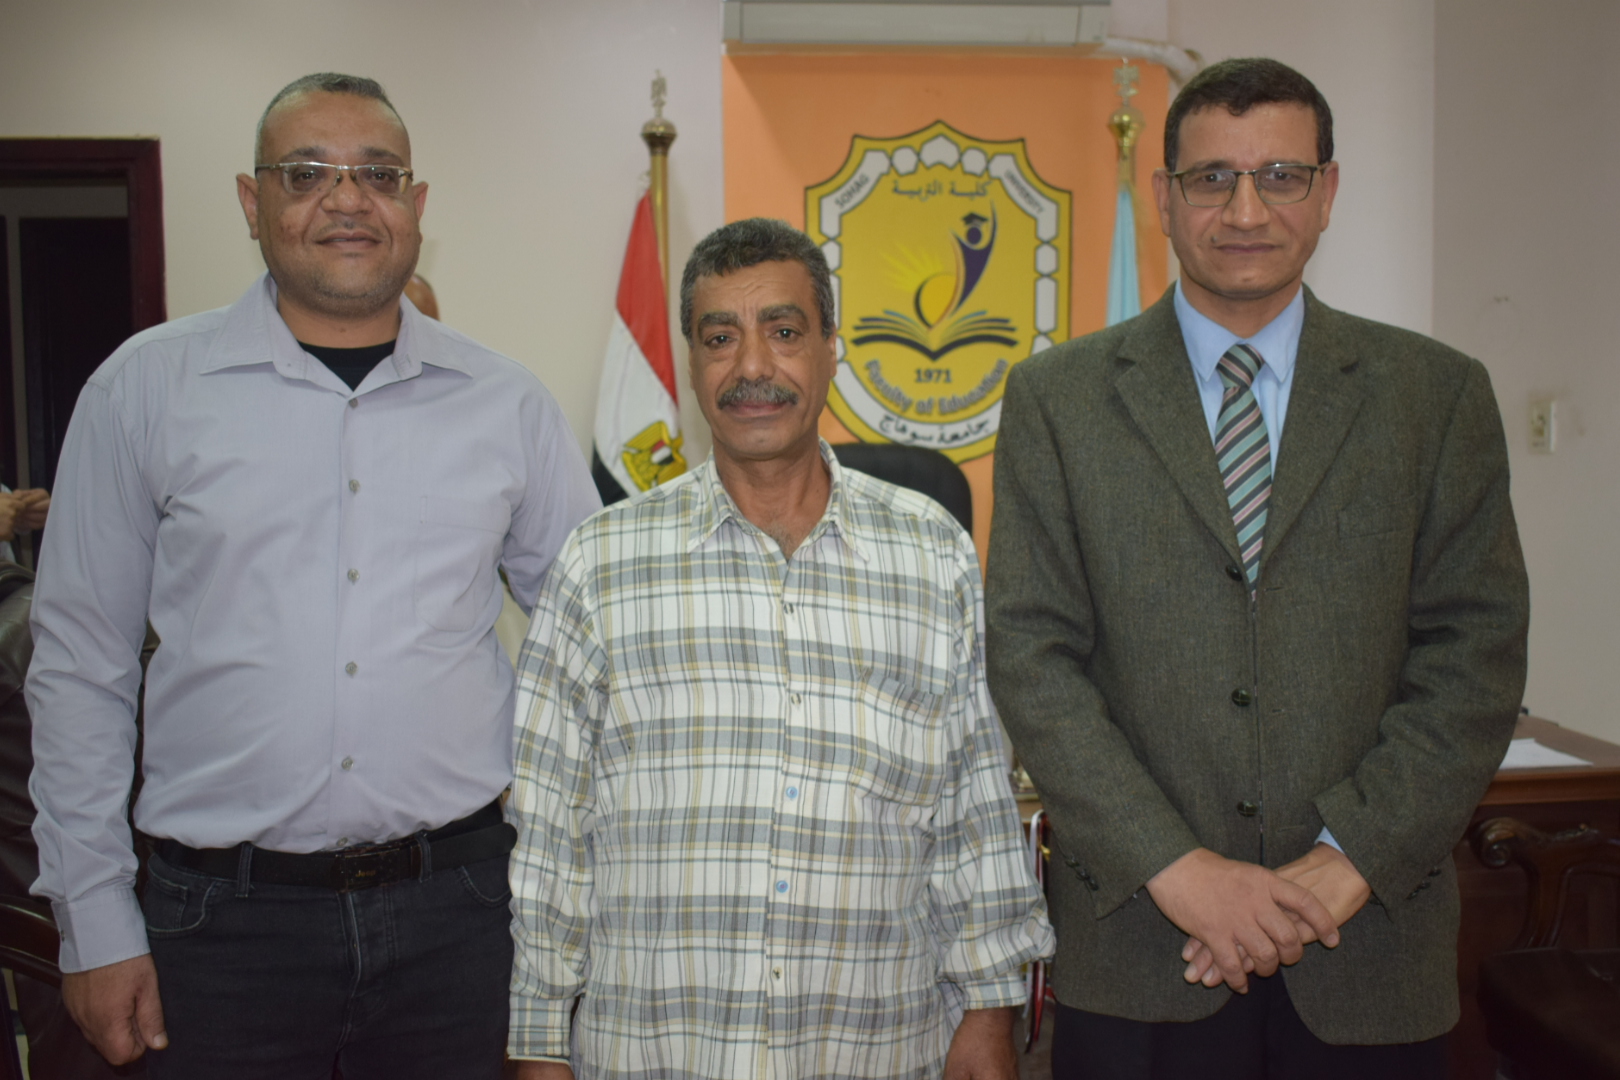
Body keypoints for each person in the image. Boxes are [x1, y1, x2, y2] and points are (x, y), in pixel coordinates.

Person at [26, 72, 599, 1078]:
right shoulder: (143, 391)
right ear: (252, 203)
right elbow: (80, 669)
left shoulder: (507, 405)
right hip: (219, 930)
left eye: (378, 174)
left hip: (461, 920)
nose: (347, 199)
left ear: (417, 205)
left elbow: (597, 651)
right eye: (306, 173)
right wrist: (93, 922)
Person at [986, 58, 1530, 1079]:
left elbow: (1476, 655)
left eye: (1281, 176)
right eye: (1212, 179)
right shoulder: (1058, 400)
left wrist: (1346, 863)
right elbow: (1031, 660)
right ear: (1164, 197)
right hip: (1142, 954)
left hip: (1372, 953)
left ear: (1327, 192)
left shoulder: (1435, 396)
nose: (1246, 210)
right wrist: (1179, 870)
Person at [506, 218, 1053, 1080]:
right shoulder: (600, 563)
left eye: (785, 332)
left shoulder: (931, 553)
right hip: (657, 1050)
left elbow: (974, 812)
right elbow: (550, 832)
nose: (752, 366)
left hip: (875, 1046)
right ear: (692, 361)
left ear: (832, 349)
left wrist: (988, 1011)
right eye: (720, 337)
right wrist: (538, 1041)